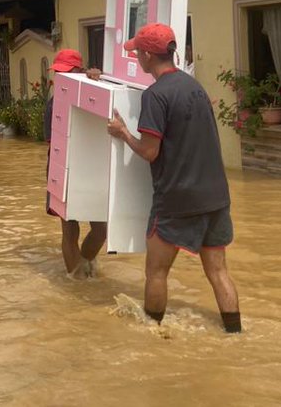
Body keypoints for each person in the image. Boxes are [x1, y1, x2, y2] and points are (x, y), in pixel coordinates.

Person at [106, 23, 242, 334]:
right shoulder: (196, 88)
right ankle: (235, 333)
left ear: (148, 55)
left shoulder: (156, 96)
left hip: (176, 200)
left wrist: (123, 133)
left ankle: (153, 335)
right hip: (216, 197)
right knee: (218, 271)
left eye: (138, 51)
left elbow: (150, 151)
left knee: (156, 272)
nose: (136, 57)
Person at [45, 49, 108, 279]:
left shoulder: (95, 89)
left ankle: (85, 264)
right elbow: (53, 143)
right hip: (62, 168)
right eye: (58, 73)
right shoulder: (54, 104)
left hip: (92, 169)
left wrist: (98, 82)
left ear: (80, 72)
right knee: (69, 228)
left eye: (66, 72)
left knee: (102, 229)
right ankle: (76, 280)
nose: (60, 77)